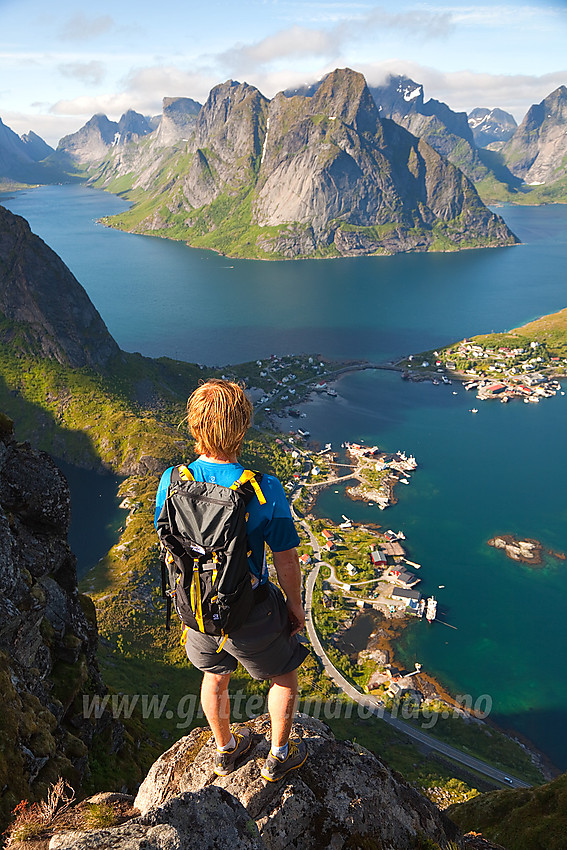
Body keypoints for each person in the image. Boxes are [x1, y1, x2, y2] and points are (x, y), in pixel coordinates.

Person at [155, 379, 309, 781]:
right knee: (285, 676)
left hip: (199, 608)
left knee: (214, 677)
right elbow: (286, 558)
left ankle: (226, 749)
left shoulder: (171, 480)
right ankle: (278, 755)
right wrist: (295, 608)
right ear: (241, 428)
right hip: (251, 611)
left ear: (195, 426)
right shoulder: (263, 489)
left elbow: (169, 541)